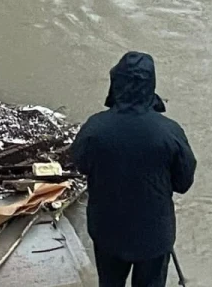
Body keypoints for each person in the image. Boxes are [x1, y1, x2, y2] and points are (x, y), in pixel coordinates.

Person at [71, 52, 197, 287]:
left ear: (116, 83)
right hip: (154, 235)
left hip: (107, 231)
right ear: (151, 85)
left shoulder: (95, 128)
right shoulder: (170, 132)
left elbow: (81, 164)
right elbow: (183, 183)